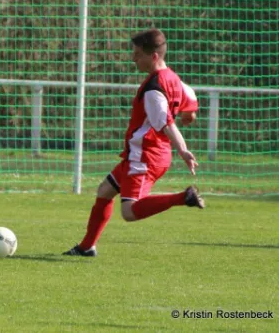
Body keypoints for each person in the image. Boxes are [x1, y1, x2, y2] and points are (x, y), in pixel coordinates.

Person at [63, 28, 205, 257]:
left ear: (154, 56)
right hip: (143, 153)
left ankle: (183, 197)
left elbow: (167, 124)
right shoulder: (173, 78)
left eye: (138, 54)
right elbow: (189, 98)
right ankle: (86, 246)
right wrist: (190, 114)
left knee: (129, 212)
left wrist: (184, 150)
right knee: (105, 190)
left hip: (145, 155)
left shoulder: (153, 89)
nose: (133, 58)